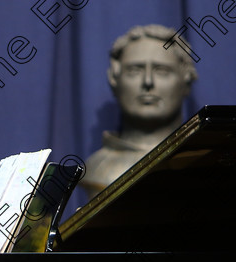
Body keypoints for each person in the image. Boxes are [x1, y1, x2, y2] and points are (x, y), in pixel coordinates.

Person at [80, 24, 198, 197]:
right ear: (114, 79)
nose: (148, 81)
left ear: (186, 81)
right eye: (135, 70)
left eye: (162, 71)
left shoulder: (204, 161)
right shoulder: (95, 168)